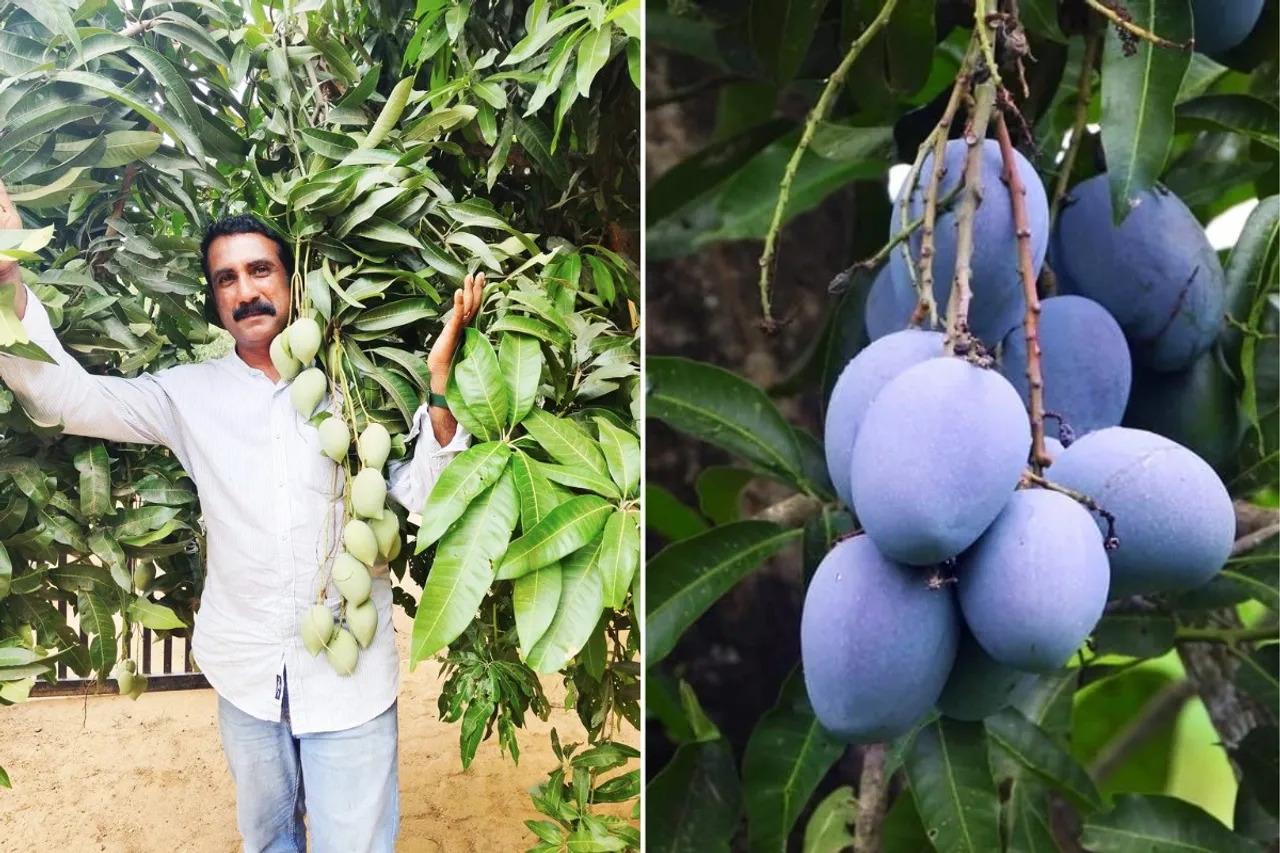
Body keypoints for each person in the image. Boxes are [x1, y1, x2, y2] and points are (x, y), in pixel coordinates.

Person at [0, 177, 480, 853]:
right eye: (226, 278)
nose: (245, 290)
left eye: (261, 270)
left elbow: (423, 498)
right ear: (214, 297)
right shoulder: (187, 395)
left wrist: (437, 385)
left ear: (293, 280)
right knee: (267, 841)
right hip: (248, 674)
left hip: (349, 680)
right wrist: (9, 274)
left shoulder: (357, 384)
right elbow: (63, 400)